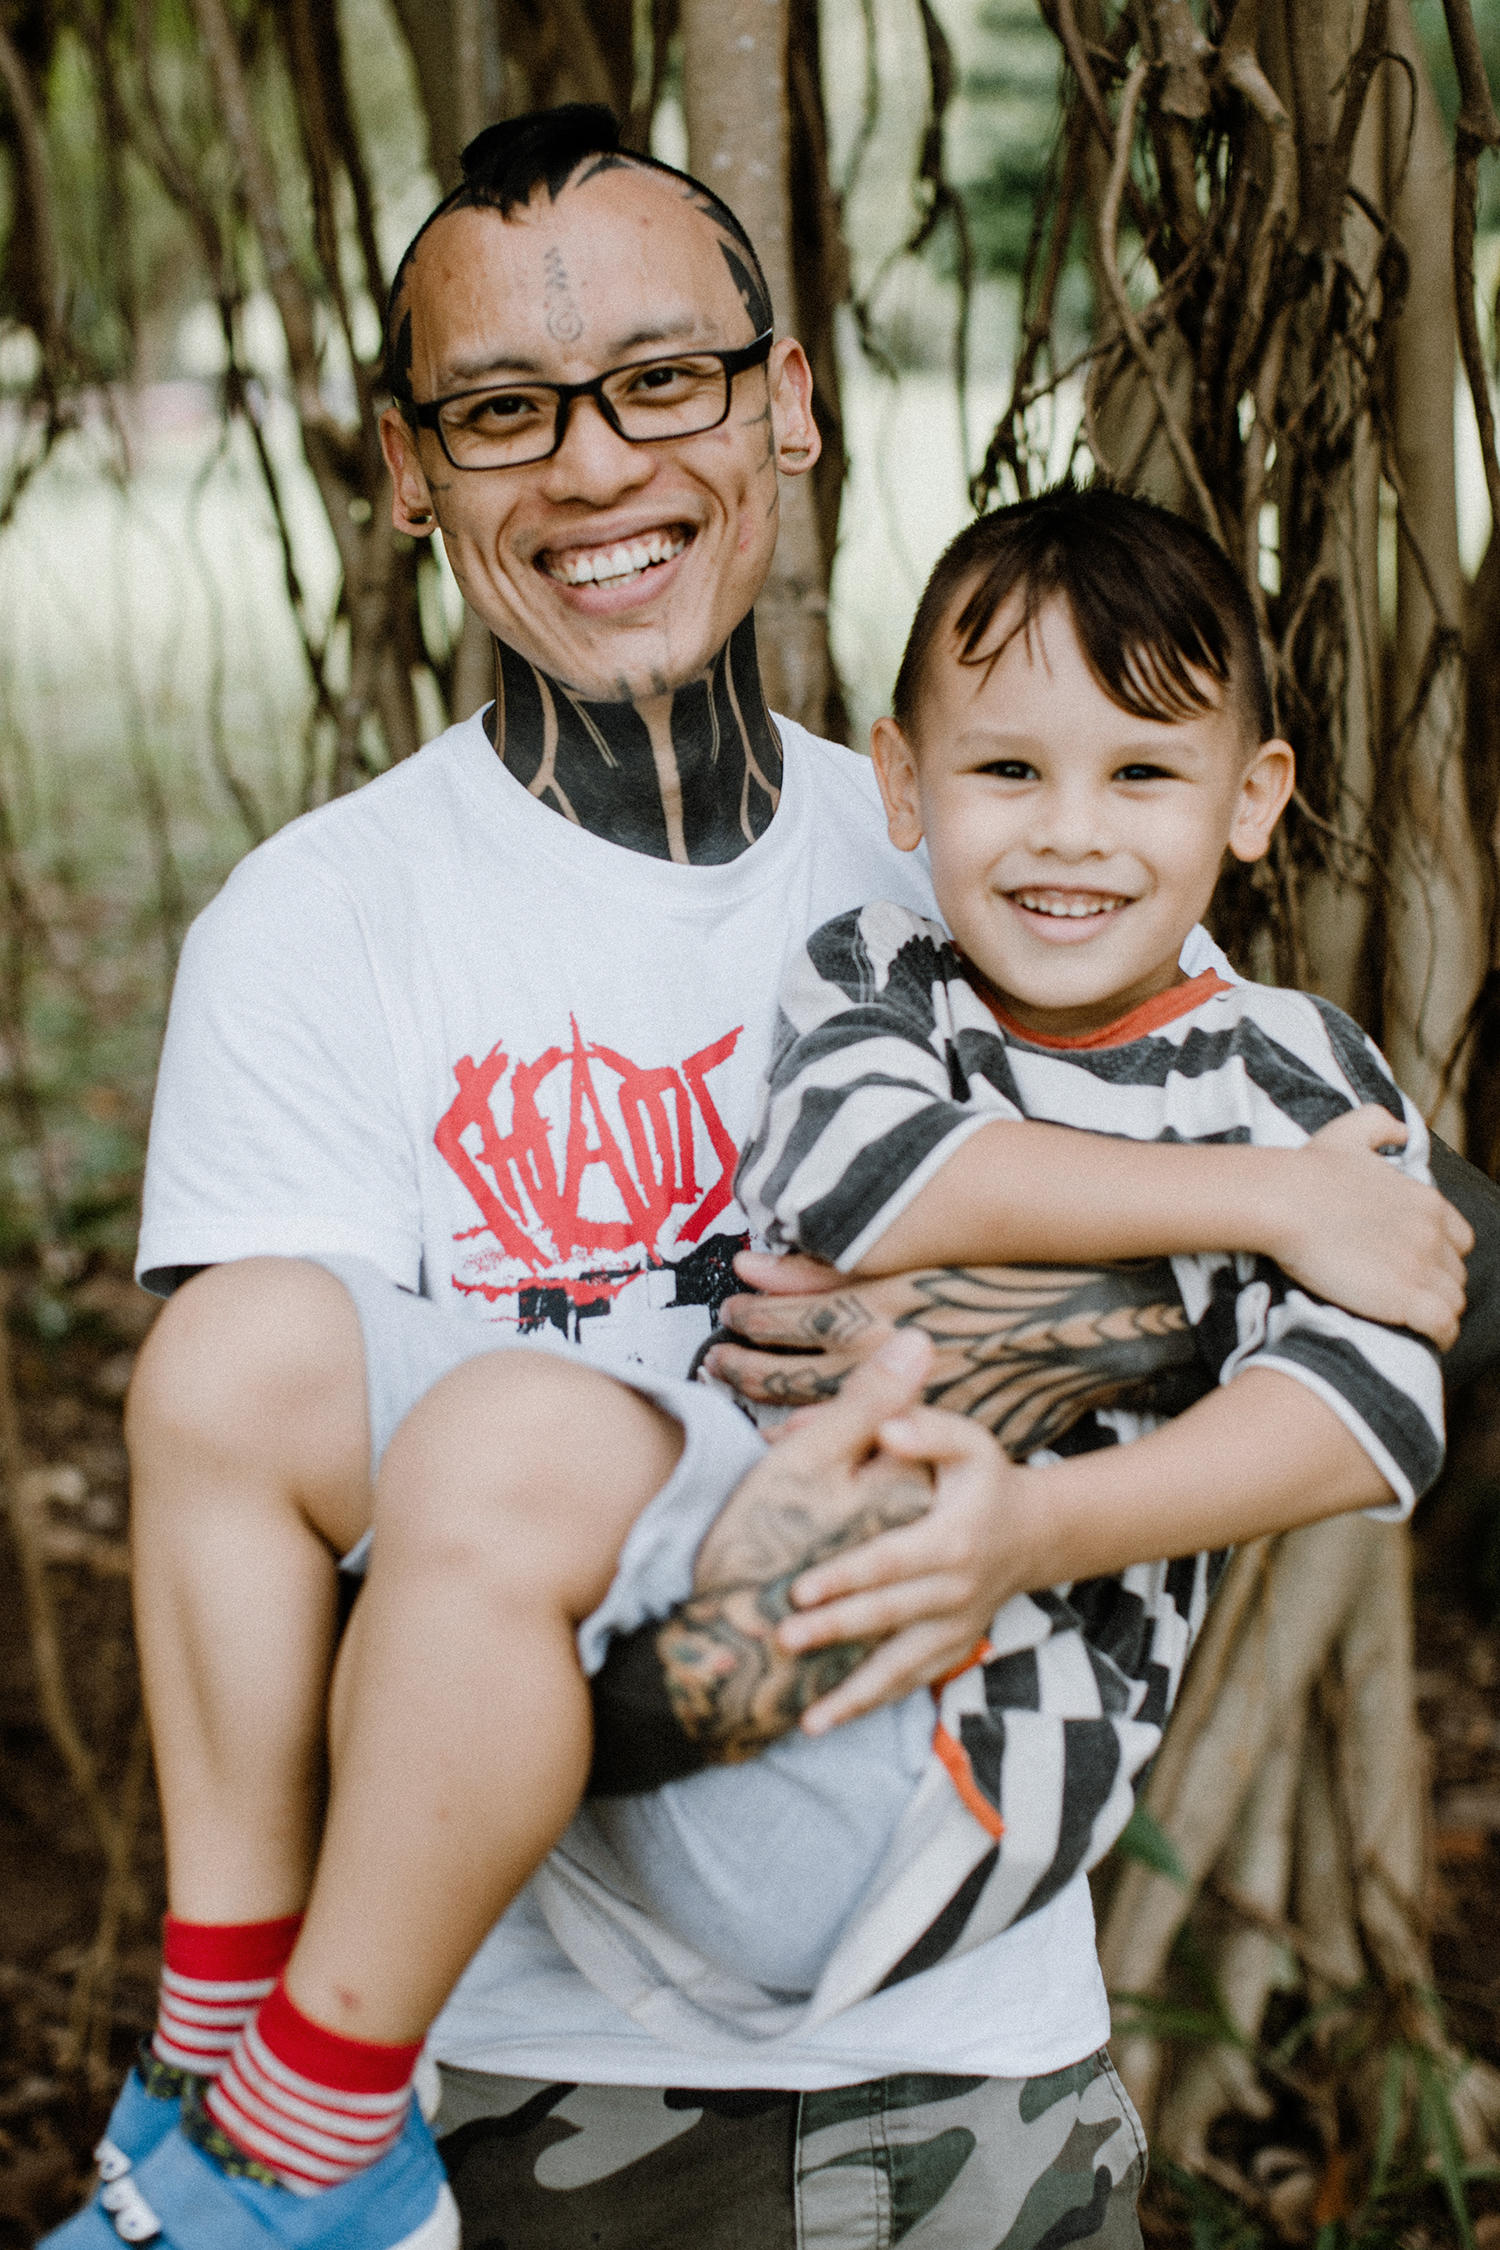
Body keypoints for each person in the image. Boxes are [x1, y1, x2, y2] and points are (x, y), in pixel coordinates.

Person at [48, 103, 1488, 2250]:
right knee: (268, 1357)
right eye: (507, 411)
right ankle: (239, 2089)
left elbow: (1399, 1268)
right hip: (539, 2044)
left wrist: (1050, 1433)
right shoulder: (330, 920)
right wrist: (1067, 1340)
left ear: (786, 404)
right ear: (406, 464)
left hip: (943, 1999)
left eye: (664, 381)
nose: (601, 465)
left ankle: (268, 2129)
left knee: (525, 1438)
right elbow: (337, 1600)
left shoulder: (988, 852)